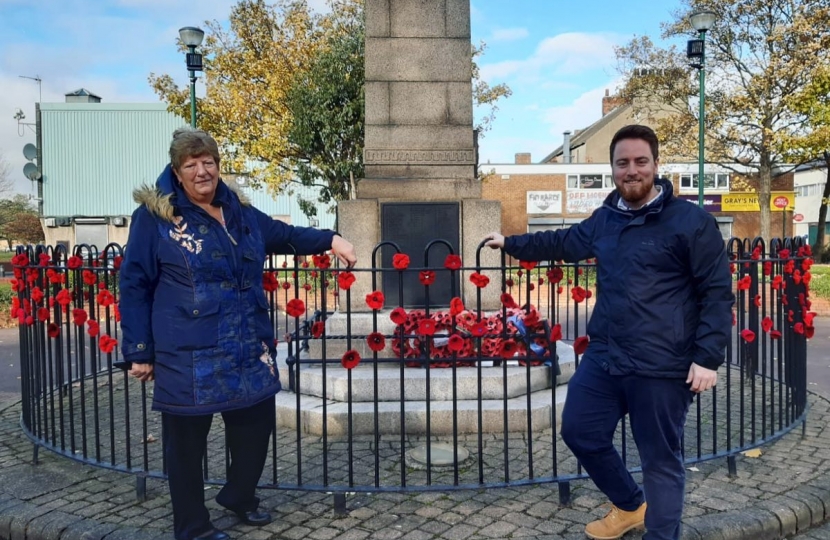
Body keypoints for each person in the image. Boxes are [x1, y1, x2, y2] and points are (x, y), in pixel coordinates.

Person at [484, 125, 733, 540]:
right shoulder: (606, 217)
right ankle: (631, 505)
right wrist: (510, 242)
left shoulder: (691, 222)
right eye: (623, 163)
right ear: (613, 169)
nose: (631, 171)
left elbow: (717, 292)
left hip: (663, 364)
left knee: (660, 460)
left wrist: (707, 357)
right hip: (607, 356)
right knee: (579, 430)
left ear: (655, 165)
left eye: (640, 162)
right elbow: (562, 241)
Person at [119, 127, 357, 540]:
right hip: (186, 349)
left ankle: (238, 495)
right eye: (190, 164)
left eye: (207, 162)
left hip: (245, 343)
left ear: (218, 166)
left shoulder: (241, 212)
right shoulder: (156, 219)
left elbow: (284, 235)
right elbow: (135, 283)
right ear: (177, 172)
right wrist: (140, 349)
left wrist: (330, 238)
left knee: (256, 424)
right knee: (187, 445)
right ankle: (192, 527)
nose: (201, 171)